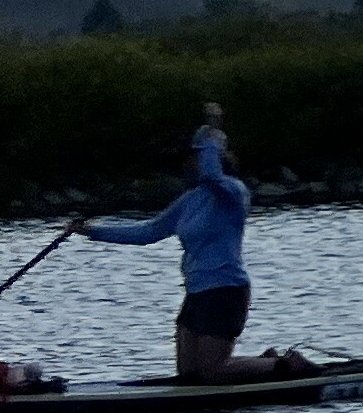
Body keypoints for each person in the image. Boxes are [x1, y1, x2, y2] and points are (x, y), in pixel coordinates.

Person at [81, 103, 304, 383]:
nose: (187, 163)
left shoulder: (233, 194)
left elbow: (211, 175)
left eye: (194, 157)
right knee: (188, 375)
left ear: (211, 157)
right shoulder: (190, 201)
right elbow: (148, 232)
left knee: (211, 372)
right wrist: (92, 232)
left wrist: (213, 130)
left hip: (226, 290)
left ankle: (286, 364)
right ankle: (264, 361)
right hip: (197, 292)